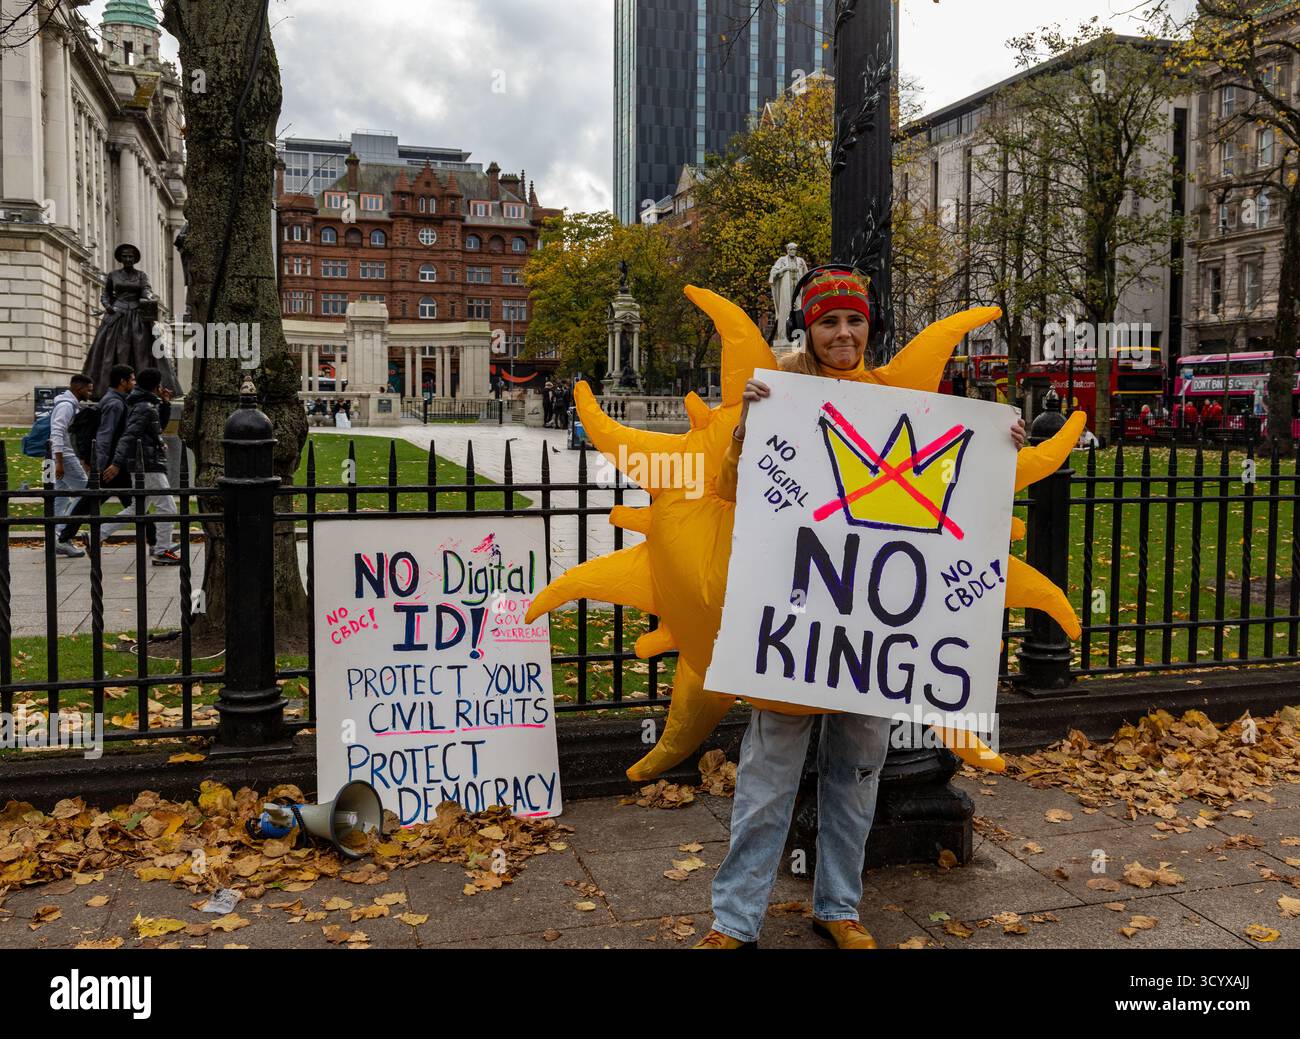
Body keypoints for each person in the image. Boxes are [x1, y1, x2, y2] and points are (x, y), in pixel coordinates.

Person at [693, 268, 1027, 951]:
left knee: (854, 775)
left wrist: (999, 449)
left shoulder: (894, 399)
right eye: (828, 322)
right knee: (766, 778)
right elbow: (727, 488)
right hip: (796, 624)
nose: (843, 334)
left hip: (870, 635)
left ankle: (839, 905)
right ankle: (734, 920)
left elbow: (952, 484)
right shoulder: (777, 393)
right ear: (808, 329)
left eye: (853, 320)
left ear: (869, 325)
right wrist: (745, 428)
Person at [98, 367, 181, 565]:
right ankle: (162, 551)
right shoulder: (144, 406)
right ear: (156, 385)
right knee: (168, 508)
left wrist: (166, 404)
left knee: (138, 507)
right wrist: (117, 463)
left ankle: (96, 535)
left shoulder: (146, 405)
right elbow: (129, 435)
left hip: (146, 462)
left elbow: (156, 428)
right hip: (147, 465)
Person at [82, 243, 181, 398]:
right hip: (117, 315)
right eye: (125, 256)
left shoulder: (141, 275)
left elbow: (146, 290)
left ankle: (144, 389)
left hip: (136, 316)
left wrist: (147, 298)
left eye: (131, 256)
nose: (128, 259)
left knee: (142, 352)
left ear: (135, 259)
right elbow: (106, 294)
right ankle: (104, 389)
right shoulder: (113, 275)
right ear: (120, 258)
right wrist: (108, 306)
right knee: (109, 352)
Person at [50, 374, 95, 556]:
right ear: (78, 388)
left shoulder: (68, 405)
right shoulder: (66, 406)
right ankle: (62, 535)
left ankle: (54, 536)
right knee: (85, 493)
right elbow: (57, 432)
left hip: (59, 456)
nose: (89, 393)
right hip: (63, 456)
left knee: (59, 497)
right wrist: (60, 461)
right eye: (88, 389)